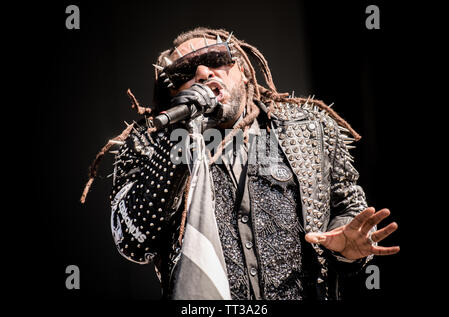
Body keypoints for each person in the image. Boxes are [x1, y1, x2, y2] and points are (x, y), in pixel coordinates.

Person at [83, 27, 399, 300]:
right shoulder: (149, 144)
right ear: (172, 93)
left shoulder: (309, 128)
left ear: (243, 70)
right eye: (184, 73)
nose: (203, 74)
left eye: (216, 59)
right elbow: (133, 240)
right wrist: (175, 139)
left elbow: (347, 202)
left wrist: (344, 242)